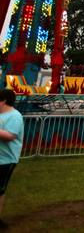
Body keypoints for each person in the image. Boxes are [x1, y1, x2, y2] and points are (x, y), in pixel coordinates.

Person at [0, 89, 23, 230]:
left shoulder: (15, 116)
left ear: (3, 101)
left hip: (6, 160)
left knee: (0, 190)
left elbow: (11, 136)